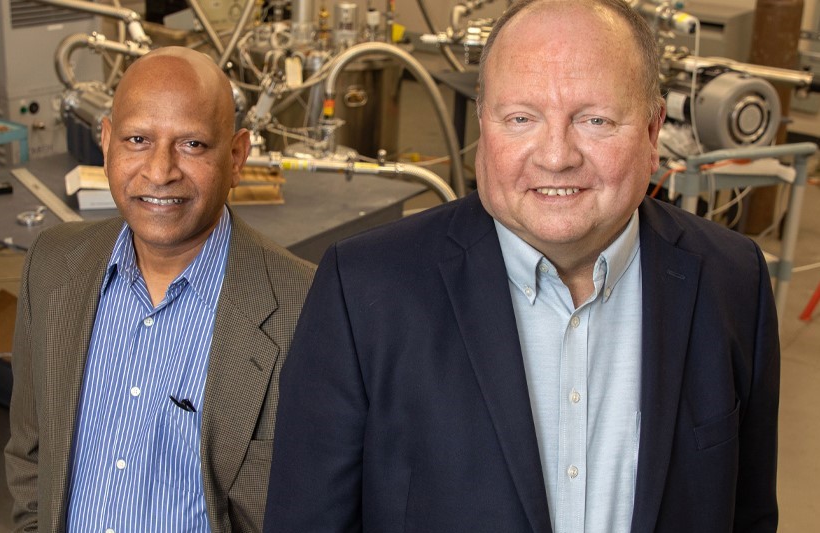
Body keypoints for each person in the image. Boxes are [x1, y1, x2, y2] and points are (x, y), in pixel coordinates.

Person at [263, 0, 780, 531]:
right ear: (484, 129)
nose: (556, 156)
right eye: (521, 119)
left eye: (595, 119)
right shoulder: (364, 291)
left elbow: (750, 513)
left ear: (653, 134)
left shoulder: (732, 280)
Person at [4, 47, 314, 532]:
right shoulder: (52, 265)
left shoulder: (306, 307)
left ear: (236, 156)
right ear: (106, 142)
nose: (160, 170)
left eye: (191, 144)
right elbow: (30, 452)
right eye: (137, 139)